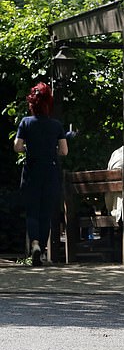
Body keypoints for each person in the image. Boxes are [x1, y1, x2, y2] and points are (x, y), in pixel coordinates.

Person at [13, 82, 68, 266]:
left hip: (31, 170)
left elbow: (17, 146)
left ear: (31, 102)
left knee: (32, 212)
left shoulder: (25, 123)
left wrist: (29, 147)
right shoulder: (56, 125)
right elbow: (64, 151)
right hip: (50, 171)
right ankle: (42, 250)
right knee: (45, 213)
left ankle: (35, 243)